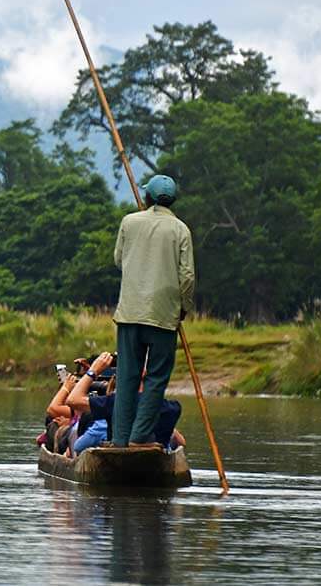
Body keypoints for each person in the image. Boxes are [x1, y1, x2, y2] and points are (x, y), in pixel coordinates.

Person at [111, 174, 195, 448]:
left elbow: (118, 260)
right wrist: (184, 309)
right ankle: (139, 438)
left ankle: (121, 439)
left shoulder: (129, 222)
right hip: (163, 315)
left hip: (130, 313)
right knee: (156, 378)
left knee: (126, 377)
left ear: (147, 198)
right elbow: (187, 277)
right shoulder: (181, 229)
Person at [67, 352, 183, 451]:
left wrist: (93, 371)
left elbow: (72, 400)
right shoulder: (172, 408)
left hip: (119, 462)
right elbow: (181, 443)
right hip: (157, 463)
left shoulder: (115, 403)